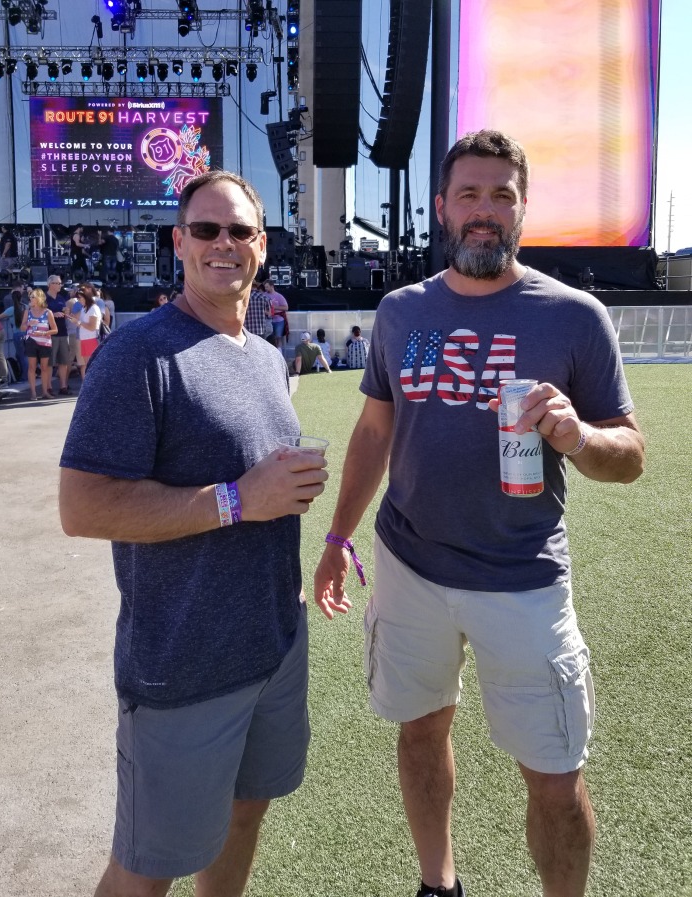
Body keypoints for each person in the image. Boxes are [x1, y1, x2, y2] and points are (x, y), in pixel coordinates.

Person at [313, 130, 646, 897]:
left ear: (523, 210)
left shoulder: (574, 316)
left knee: (557, 778)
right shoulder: (401, 312)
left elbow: (629, 455)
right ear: (442, 208)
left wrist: (581, 434)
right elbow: (373, 430)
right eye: (470, 194)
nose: (485, 211)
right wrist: (336, 536)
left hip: (523, 578)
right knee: (421, 729)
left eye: (502, 195)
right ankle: (439, 884)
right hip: (410, 567)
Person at [58, 170, 328, 897]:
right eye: (205, 229)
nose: (223, 244)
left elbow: (265, 494)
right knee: (147, 868)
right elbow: (82, 506)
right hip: (182, 665)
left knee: (245, 816)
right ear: (178, 242)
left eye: (239, 230)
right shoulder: (137, 353)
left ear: (261, 247)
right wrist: (240, 499)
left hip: (272, 645)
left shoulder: (268, 358)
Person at [21, 287, 58, 401]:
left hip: (44, 342)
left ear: (39, 298)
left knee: (44, 368)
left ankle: (45, 391)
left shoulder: (48, 312)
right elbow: (22, 328)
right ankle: (33, 393)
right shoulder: (28, 312)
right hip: (31, 341)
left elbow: (55, 330)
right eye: (30, 297)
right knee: (31, 367)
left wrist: (44, 333)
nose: (30, 299)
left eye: (33, 297)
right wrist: (28, 324)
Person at [68, 282, 102, 378]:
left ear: (86, 297)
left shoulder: (93, 308)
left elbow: (92, 326)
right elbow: (75, 319)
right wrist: (68, 315)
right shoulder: (84, 308)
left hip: (92, 340)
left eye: (80, 298)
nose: (78, 300)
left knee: (92, 367)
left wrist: (78, 322)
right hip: (85, 340)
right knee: (88, 366)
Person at [46, 275, 72, 395]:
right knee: (50, 362)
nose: (60, 285)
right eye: (58, 283)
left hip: (63, 332)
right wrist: (53, 314)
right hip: (50, 333)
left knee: (63, 361)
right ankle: (49, 387)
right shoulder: (44, 299)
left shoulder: (61, 297)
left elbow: (65, 311)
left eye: (60, 283)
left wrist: (66, 312)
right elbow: (39, 314)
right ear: (50, 284)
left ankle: (63, 386)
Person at [264, 279, 288, 349]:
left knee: (278, 338)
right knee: (268, 338)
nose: (266, 289)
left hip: (278, 321)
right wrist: (266, 312)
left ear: (272, 286)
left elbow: (286, 308)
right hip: (268, 320)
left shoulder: (279, 296)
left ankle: (279, 354)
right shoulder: (264, 295)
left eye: (267, 287)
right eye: (265, 287)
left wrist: (274, 307)